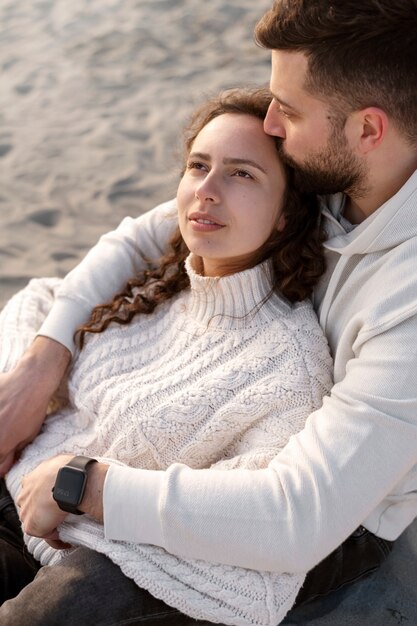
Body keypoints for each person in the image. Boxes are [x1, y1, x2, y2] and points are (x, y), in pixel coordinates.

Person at [1, 0, 416, 617]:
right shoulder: (334, 175)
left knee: (68, 604)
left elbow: (295, 517)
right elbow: (146, 235)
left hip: (331, 520)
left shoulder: (407, 297)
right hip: (231, 434)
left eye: (291, 110)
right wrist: (44, 362)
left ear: (368, 129)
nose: (271, 122)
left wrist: (86, 484)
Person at [0, 88, 333, 625]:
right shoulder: (159, 283)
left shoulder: (288, 365)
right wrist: (32, 384)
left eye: (242, 174)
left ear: (285, 216)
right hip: (15, 495)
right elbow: (33, 298)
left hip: (88, 554)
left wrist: (75, 489)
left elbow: (250, 521)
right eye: (198, 166)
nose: (207, 190)